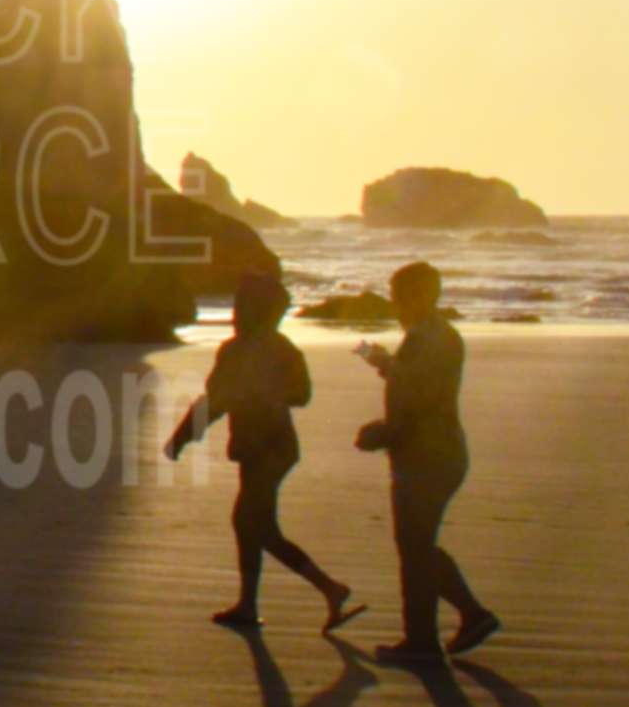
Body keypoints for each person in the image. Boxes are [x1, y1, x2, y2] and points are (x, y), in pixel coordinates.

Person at [168, 272, 365, 633]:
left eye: (242, 304)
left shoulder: (250, 349)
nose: (236, 311)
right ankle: (254, 601)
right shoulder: (272, 348)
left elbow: (223, 401)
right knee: (256, 525)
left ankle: (327, 589)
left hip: (270, 447)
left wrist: (182, 436)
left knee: (251, 523)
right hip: (259, 446)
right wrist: (184, 435)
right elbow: (291, 395)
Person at [354, 261, 500, 661]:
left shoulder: (427, 338)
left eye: (401, 296)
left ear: (422, 296)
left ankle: (434, 635)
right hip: (439, 451)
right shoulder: (433, 335)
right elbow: (416, 384)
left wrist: (385, 431)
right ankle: (448, 626)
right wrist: (384, 364)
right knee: (417, 544)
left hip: (428, 455)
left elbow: (421, 399)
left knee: (415, 546)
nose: (396, 305)